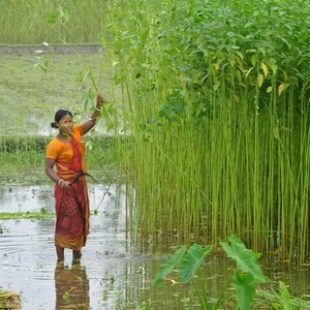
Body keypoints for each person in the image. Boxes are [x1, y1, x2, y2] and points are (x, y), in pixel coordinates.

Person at [45, 94, 104, 262]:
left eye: (70, 121)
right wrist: (60, 181)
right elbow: (48, 169)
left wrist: (98, 106)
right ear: (58, 125)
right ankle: (60, 260)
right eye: (65, 122)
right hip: (65, 188)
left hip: (80, 186)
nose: (69, 124)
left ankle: (77, 258)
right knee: (65, 221)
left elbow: (92, 121)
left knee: (79, 220)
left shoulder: (77, 132)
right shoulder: (54, 145)